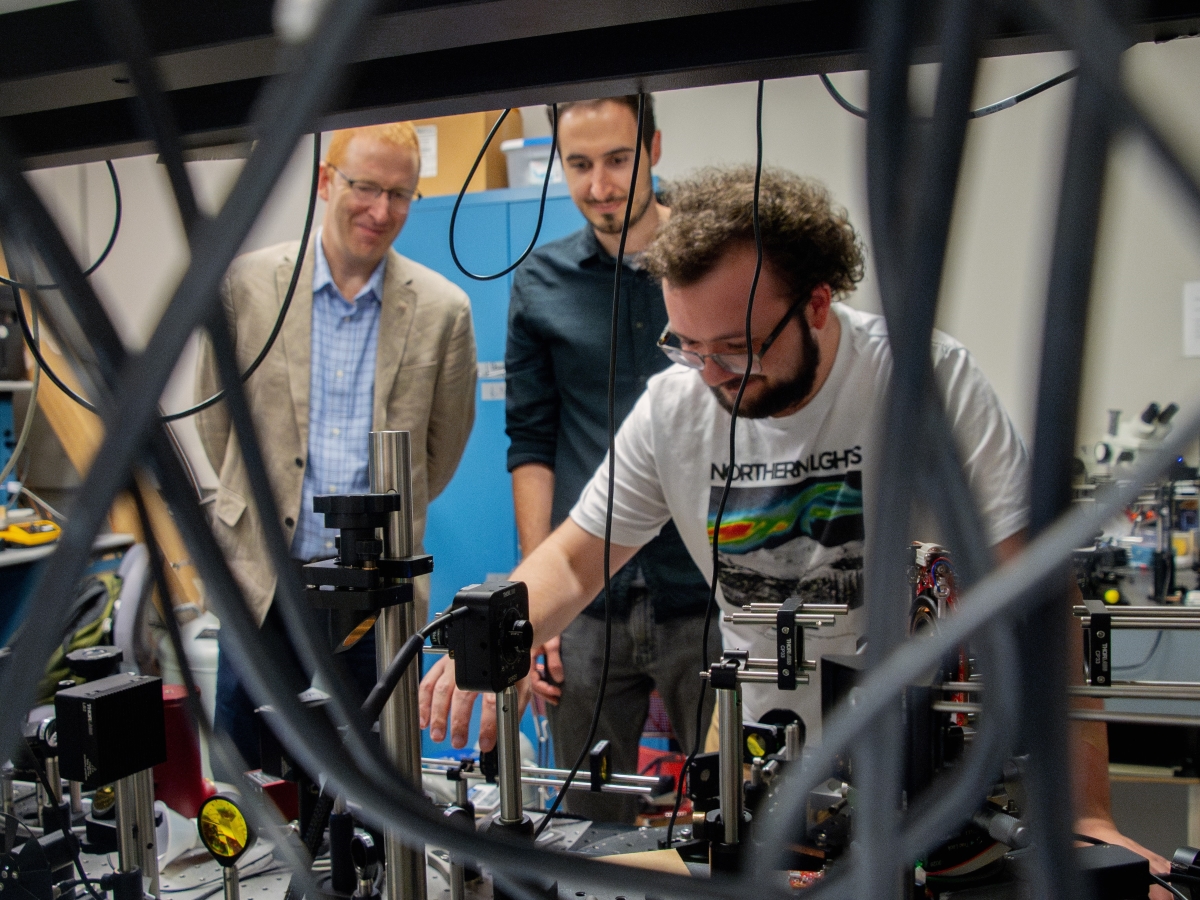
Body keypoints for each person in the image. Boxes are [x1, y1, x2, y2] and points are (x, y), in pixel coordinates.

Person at [421, 164, 1168, 880]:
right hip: (766, 768)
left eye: (737, 348)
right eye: (687, 345)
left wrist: (1087, 812)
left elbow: (1037, 594)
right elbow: (575, 560)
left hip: (927, 767)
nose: (712, 376)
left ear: (816, 303)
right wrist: (496, 638)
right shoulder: (674, 407)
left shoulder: (924, 382)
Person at [198, 122, 477, 768]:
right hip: (264, 575)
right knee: (249, 770)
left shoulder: (444, 311)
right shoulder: (245, 286)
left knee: (377, 768)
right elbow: (214, 419)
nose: (381, 210)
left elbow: (438, 456)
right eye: (366, 187)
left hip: (374, 587)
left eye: (400, 194)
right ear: (326, 181)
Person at [505, 95, 718, 822]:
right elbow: (531, 442)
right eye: (579, 164)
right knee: (584, 824)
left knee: (743, 815)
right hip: (587, 602)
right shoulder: (541, 283)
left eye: (619, 160)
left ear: (653, 148)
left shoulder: (716, 264)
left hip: (706, 591)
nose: (599, 186)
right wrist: (535, 608)